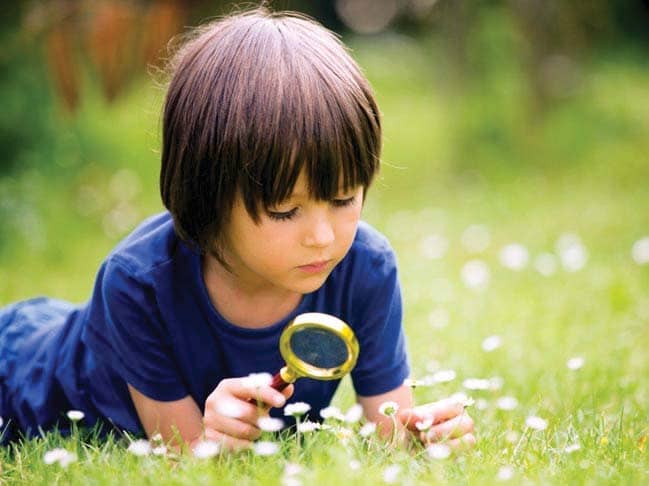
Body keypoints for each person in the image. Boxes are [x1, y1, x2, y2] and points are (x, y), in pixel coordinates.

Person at [0, 7, 474, 451]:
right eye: (285, 210)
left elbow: (390, 432)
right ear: (207, 195)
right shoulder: (137, 283)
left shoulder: (365, 269)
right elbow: (188, 458)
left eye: (343, 199)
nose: (323, 238)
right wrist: (210, 439)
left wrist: (424, 439)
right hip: (19, 379)